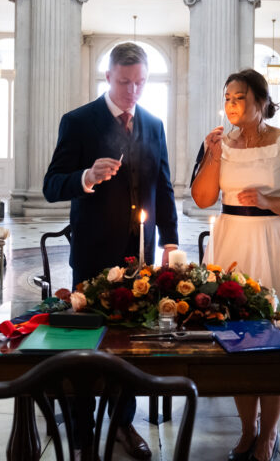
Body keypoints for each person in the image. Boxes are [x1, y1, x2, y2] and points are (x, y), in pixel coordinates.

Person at [44, 42, 179, 460]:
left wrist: (170, 241)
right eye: (125, 82)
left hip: (139, 256)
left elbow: (165, 188)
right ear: (108, 77)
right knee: (89, 344)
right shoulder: (79, 121)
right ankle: (83, 429)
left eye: (141, 82)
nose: (133, 91)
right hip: (92, 253)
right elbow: (52, 185)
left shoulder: (154, 124)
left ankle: (122, 422)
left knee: (131, 341)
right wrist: (85, 176)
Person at [191, 68, 280, 461]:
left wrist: (270, 202)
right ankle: (247, 426)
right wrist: (213, 157)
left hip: (277, 239)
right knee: (236, 335)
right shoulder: (219, 143)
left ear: (262, 102)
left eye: (240, 98)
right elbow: (203, 198)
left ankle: (268, 433)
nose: (232, 105)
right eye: (228, 98)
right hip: (232, 242)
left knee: (276, 339)